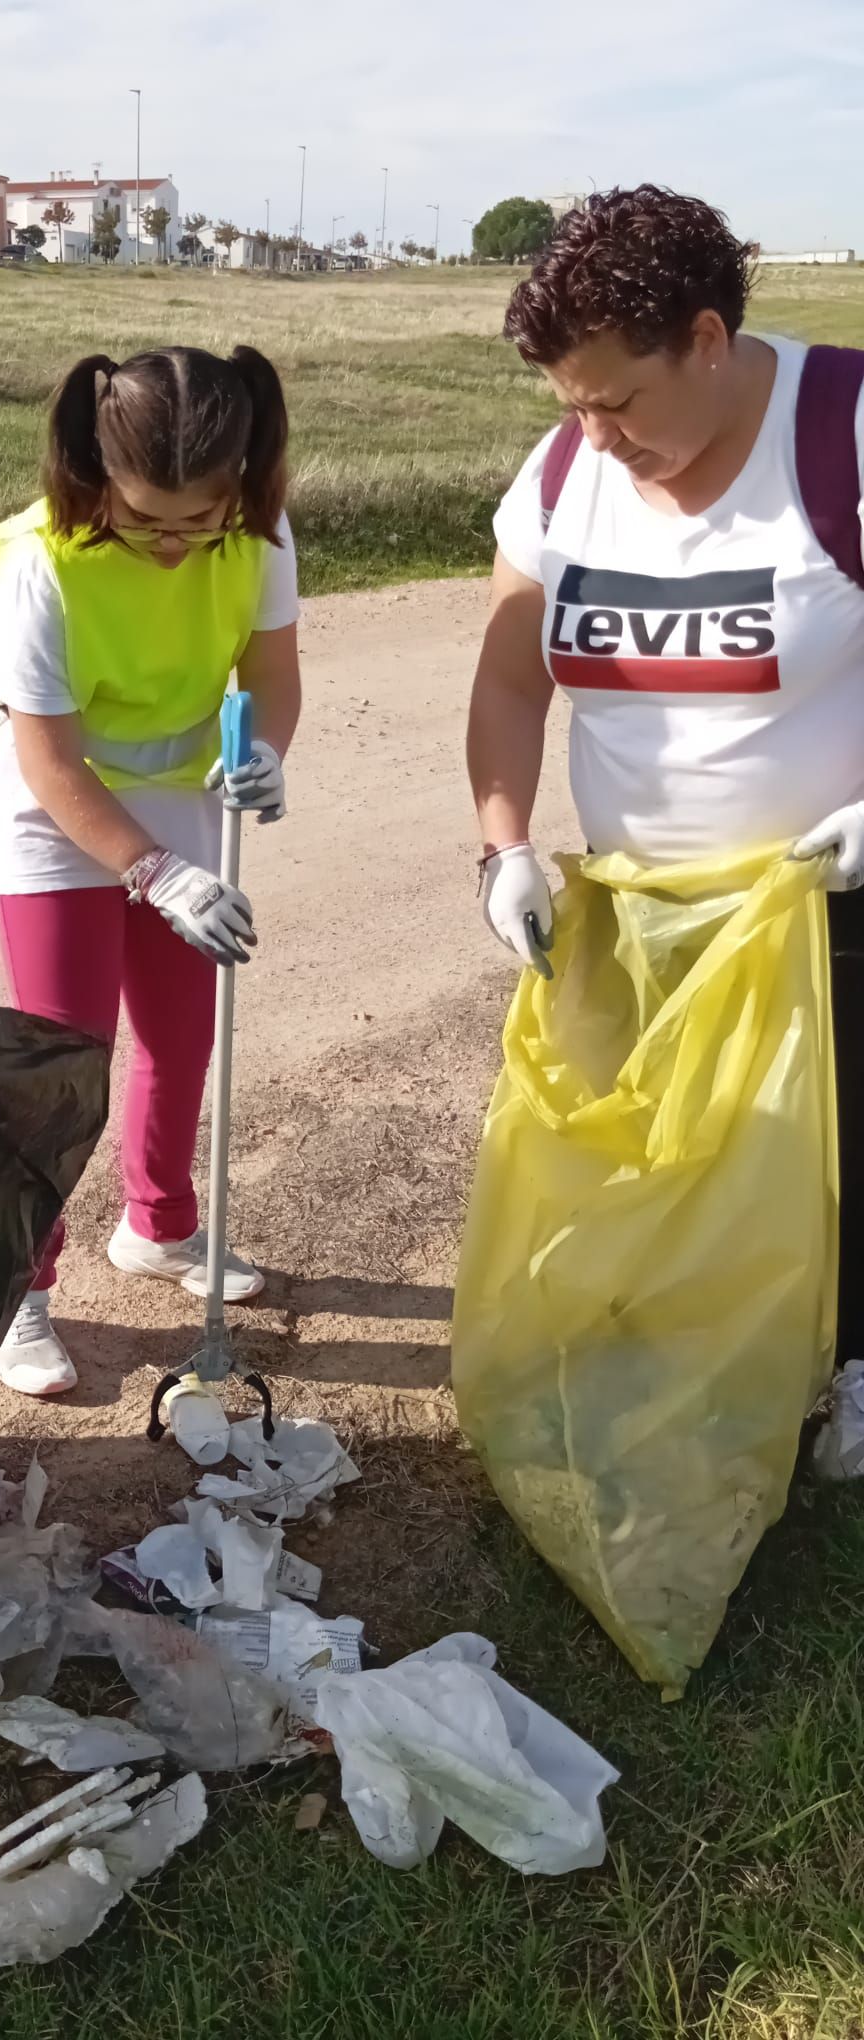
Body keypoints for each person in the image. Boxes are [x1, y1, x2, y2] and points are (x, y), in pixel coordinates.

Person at [468, 183, 864, 1434]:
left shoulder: (844, 428)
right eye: (571, 407)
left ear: (706, 339)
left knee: (836, 1166)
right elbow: (510, 671)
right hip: (642, 915)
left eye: (619, 402)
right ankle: (701, 1370)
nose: (595, 437)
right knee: (673, 1162)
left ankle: (847, 1368)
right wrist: (503, 845)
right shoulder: (564, 471)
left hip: (828, 910)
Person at [0, 346, 301, 1397]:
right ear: (93, 474)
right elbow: (50, 763)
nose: (174, 541)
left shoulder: (261, 535)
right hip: (52, 810)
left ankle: (158, 1227)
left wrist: (265, 756)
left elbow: (275, 683)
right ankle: (19, 1289)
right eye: (148, 516)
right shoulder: (37, 563)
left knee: (181, 1033)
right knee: (60, 1062)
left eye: (199, 518)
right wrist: (155, 873)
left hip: (186, 794)